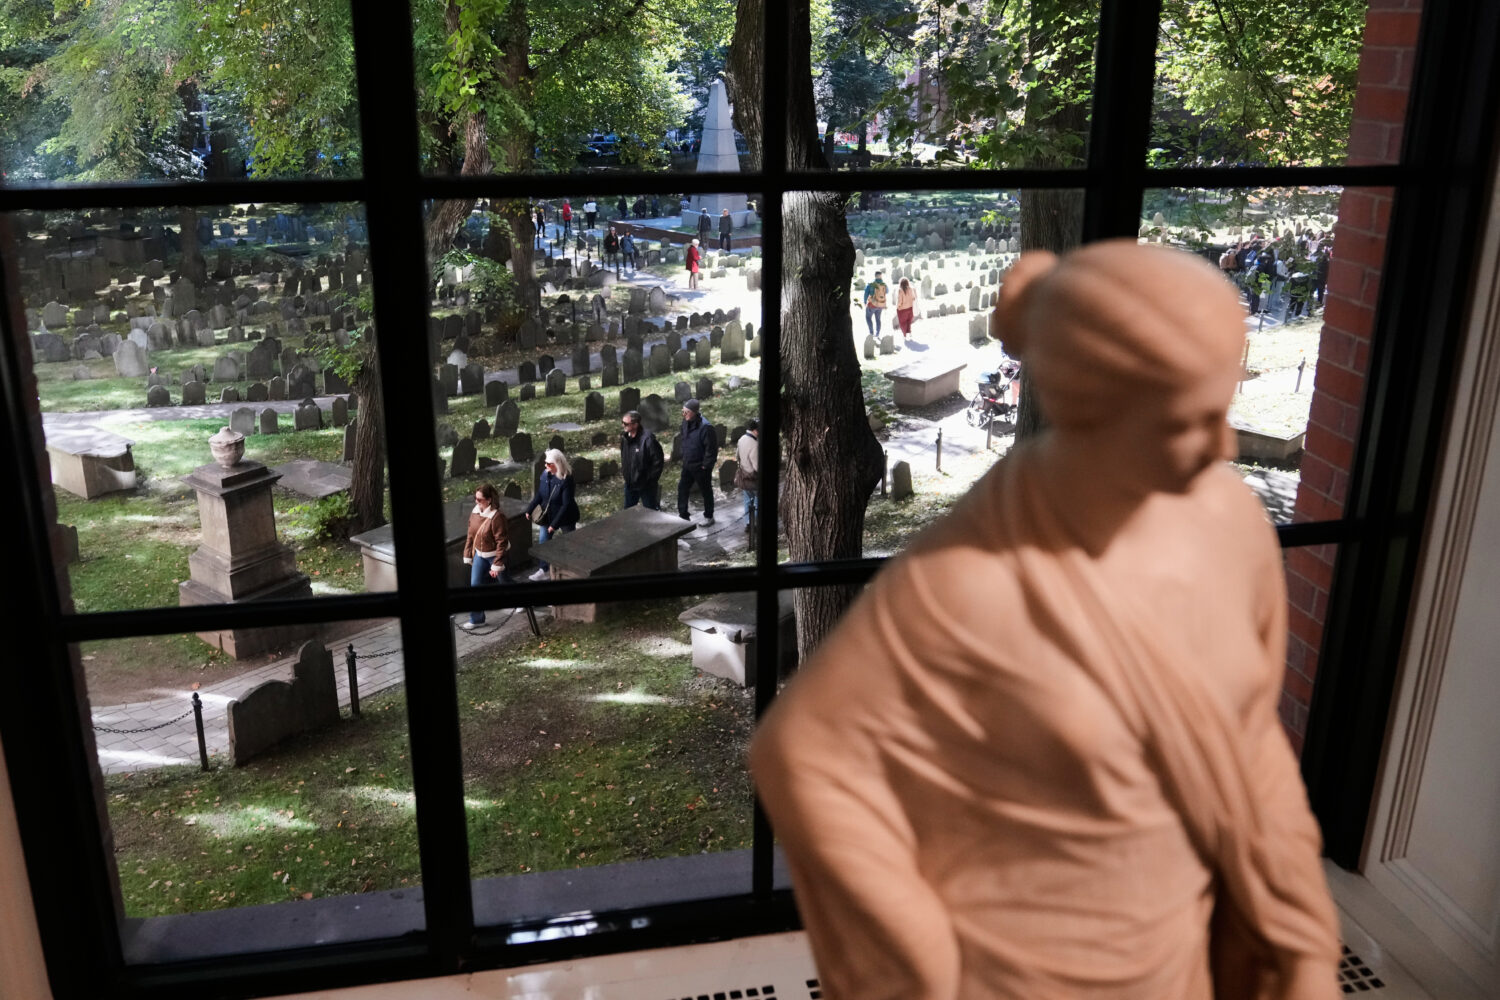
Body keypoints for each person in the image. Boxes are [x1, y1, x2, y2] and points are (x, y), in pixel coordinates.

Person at [750, 240, 1340, 999]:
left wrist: (1296, 924)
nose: (1220, 445)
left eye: (1219, 408)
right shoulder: (971, 581)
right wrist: (912, 954)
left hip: (1177, 949)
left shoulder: (1230, 525)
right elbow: (803, 754)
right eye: (1187, 420)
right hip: (1018, 968)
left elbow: (1248, 737)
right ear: (1093, 410)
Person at [523, 449, 580, 581]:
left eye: (549, 464)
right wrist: (529, 509)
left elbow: (566, 505)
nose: (546, 466)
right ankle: (544, 569)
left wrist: (554, 525)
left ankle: (571, 569)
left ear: (557, 464)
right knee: (544, 542)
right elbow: (540, 495)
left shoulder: (567, 479)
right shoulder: (545, 475)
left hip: (565, 517)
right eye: (545, 463)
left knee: (570, 542)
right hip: (548, 515)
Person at [460, 482, 510, 630]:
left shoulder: (497, 517)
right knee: (475, 586)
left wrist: (497, 563)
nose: (477, 502)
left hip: (495, 556)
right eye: (475, 498)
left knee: (505, 581)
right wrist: (467, 553)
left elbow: (502, 542)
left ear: (489, 500)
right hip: (479, 556)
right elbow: (470, 535)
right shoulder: (475, 512)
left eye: (480, 499)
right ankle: (477, 619)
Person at [676, 398, 717, 523]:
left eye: (686, 412)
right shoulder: (685, 422)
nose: (684, 415)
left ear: (694, 412)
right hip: (688, 464)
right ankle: (683, 516)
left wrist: (706, 466)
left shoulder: (706, 427)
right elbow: (684, 439)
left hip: (700, 466)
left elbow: (711, 449)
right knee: (682, 488)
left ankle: (709, 516)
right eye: (683, 412)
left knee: (705, 491)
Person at [620, 409, 665, 510]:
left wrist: (650, 480)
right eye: (622, 422)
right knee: (628, 511)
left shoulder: (648, 439)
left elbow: (658, 461)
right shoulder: (624, 438)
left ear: (635, 425)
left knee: (650, 511)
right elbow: (624, 456)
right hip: (630, 483)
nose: (623, 425)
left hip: (645, 485)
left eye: (626, 423)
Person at [734, 418, 759, 532]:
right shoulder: (754, 444)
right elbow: (757, 466)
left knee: (747, 501)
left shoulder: (741, 439)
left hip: (744, 476)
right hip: (754, 479)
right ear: (756, 430)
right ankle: (756, 524)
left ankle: (748, 522)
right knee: (758, 501)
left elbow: (737, 456)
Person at [863, 270, 888, 336]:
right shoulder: (884, 285)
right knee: (878, 319)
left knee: (868, 317)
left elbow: (866, 293)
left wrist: (865, 301)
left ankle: (871, 332)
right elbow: (887, 291)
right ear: (881, 276)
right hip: (880, 305)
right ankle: (877, 333)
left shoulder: (871, 285)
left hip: (872, 305)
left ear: (875, 276)